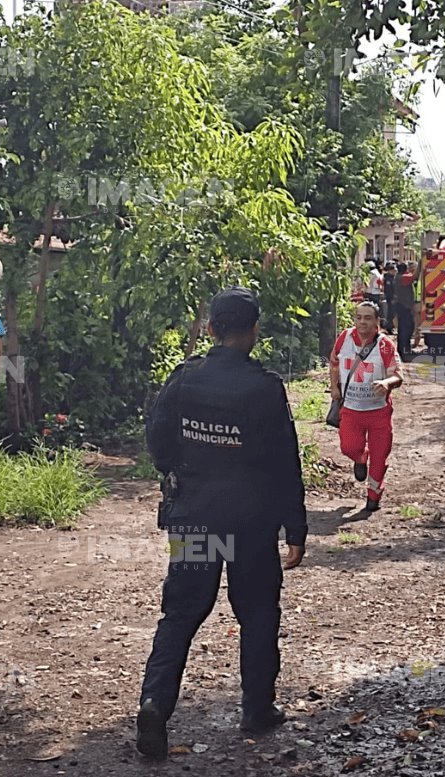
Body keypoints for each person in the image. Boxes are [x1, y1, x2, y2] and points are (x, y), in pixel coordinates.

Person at [137, 286, 308, 758]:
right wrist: (295, 528)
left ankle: (154, 703)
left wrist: (184, 477)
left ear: (211, 328)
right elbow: (284, 463)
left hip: (193, 520)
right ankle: (257, 708)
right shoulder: (265, 387)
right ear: (253, 332)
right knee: (257, 614)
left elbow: (158, 442)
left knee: (180, 614)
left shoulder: (184, 379)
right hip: (251, 527)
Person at [329, 301, 403, 511]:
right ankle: (360, 457)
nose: (362, 322)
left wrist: (386, 383)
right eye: (358, 317)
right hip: (351, 410)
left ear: (377, 322)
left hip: (379, 412)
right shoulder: (344, 338)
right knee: (349, 447)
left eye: (367, 318)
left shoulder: (385, 345)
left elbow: (398, 375)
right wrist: (334, 387)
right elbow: (334, 363)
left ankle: (373, 496)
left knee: (379, 458)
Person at [393, 262, 416, 358]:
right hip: (404, 307)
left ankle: (404, 349)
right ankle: (404, 350)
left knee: (404, 329)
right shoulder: (402, 278)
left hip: (402, 306)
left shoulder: (399, 277)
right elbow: (415, 277)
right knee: (406, 329)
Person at [382, 261, 397, 332]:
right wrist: (392, 298)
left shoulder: (393, 277)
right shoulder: (388, 278)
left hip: (393, 298)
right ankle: (389, 327)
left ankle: (391, 326)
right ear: (390, 271)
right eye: (394, 270)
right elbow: (389, 290)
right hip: (390, 298)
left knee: (393, 313)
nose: (395, 272)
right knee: (391, 313)